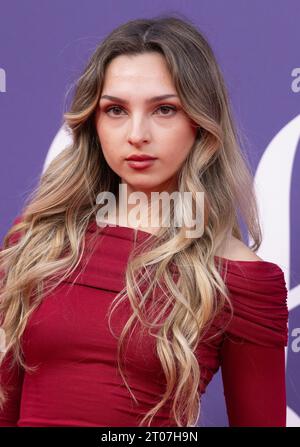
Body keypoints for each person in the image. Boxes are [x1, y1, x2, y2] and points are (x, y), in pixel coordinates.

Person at [0, 15, 288, 427]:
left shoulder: (239, 275)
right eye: (115, 110)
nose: (137, 133)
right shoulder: (37, 240)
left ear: (201, 124)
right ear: (94, 122)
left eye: (164, 109)